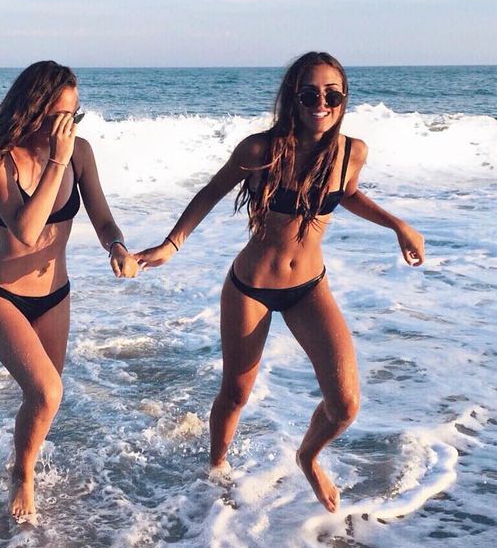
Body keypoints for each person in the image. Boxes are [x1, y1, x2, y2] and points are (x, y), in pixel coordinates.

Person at [136, 52, 425, 512]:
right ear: (293, 98)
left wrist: (398, 225)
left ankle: (308, 457)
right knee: (236, 394)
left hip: (308, 288)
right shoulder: (260, 151)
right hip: (250, 287)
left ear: (343, 99)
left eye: (332, 95)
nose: (321, 103)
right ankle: (216, 470)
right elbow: (212, 191)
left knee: (345, 405)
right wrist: (172, 245)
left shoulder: (352, 152)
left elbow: (346, 194)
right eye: (309, 94)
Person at [0, 60, 138, 522]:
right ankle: (22, 475)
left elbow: (103, 219)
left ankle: (20, 455)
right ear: (33, 109)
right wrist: (57, 161)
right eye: (60, 116)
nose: (68, 126)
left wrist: (116, 246)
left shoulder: (80, 152)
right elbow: (26, 232)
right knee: (47, 392)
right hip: (1, 296)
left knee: (44, 397)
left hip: (55, 296)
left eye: (74, 115)